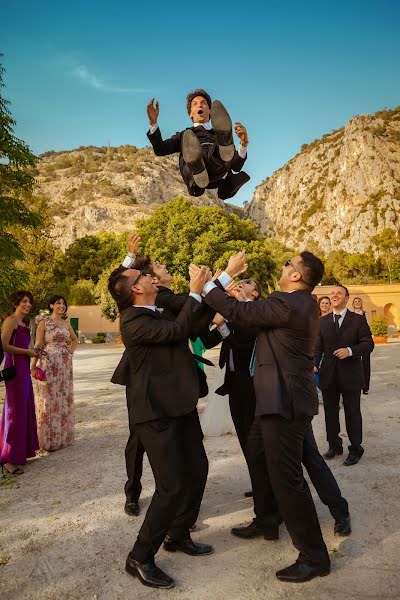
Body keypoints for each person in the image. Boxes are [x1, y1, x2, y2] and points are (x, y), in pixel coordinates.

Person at [194, 251, 331, 583]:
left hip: (283, 404)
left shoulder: (288, 302)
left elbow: (238, 311)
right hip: (274, 402)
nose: (282, 266)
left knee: (288, 480)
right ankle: (267, 518)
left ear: (297, 276)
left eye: (287, 264)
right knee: (259, 455)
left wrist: (214, 282)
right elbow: (243, 320)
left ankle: (314, 556)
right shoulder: (297, 304)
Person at [109, 264, 213, 590]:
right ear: (136, 289)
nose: (150, 278)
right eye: (142, 277)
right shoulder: (133, 320)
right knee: (171, 486)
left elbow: (192, 322)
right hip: (154, 414)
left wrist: (212, 288)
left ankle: (179, 534)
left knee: (197, 469)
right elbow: (176, 332)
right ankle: (139, 556)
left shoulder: (159, 308)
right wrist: (196, 290)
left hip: (181, 406)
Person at [120, 236, 222, 518]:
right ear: (143, 281)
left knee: (184, 459)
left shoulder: (165, 298)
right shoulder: (139, 304)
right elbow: (120, 284)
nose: (163, 267)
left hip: (172, 386)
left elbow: (194, 319)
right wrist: (130, 256)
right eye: (156, 266)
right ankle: (134, 493)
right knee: (138, 441)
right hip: (145, 386)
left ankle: (179, 518)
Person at [146, 89, 250, 200]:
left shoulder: (219, 134)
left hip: (218, 172)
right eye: (195, 104)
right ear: (190, 113)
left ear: (210, 111)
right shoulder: (183, 135)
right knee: (190, 147)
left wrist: (243, 144)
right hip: (196, 175)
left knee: (222, 146)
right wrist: (153, 122)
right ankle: (198, 169)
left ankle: (205, 165)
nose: (200, 105)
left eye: (204, 103)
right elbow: (160, 149)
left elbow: (235, 165)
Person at [315, 285, 374, 465]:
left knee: (352, 413)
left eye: (338, 293)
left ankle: (356, 448)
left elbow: (368, 344)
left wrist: (350, 351)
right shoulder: (322, 322)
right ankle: (334, 445)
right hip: (328, 375)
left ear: (346, 298)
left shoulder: (357, 320)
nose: (334, 295)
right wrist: (313, 364)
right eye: (332, 293)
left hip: (351, 375)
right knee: (330, 414)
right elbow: (317, 348)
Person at [31, 295, 78, 451]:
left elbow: (74, 340)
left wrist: (69, 354)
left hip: (64, 366)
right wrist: (33, 364)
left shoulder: (66, 323)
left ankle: (62, 438)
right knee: (49, 399)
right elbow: (38, 343)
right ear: (51, 305)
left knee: (63, 398)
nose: (62, 305)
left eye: (64, 303)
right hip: (49, 364)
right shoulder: (44, 322)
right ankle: (48, 440)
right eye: (58, 303)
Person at [0, 291, 40, 475]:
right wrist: (26, 352)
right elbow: (4, 345)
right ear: (16, 303)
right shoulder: (10, 321)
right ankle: (8, 460)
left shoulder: (24, 324)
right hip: (14, 369)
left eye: (29, 302)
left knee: (24, 410)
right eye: (24, 301)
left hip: (23, 370)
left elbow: (25, 347)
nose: (28, 304)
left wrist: (33, 351)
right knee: (14, 413)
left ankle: (19, 453)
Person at [352, 297, 371, 394]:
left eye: (359, 301)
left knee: (365, 364)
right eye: (355, 301)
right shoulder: (350, 315)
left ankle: (365, 387)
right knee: (354, 363)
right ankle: (356, 384)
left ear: (361, 303)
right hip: (354, 341)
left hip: (364, 340)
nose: (357, 303)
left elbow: (369, 326)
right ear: (353, 304)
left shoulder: (365, 313)